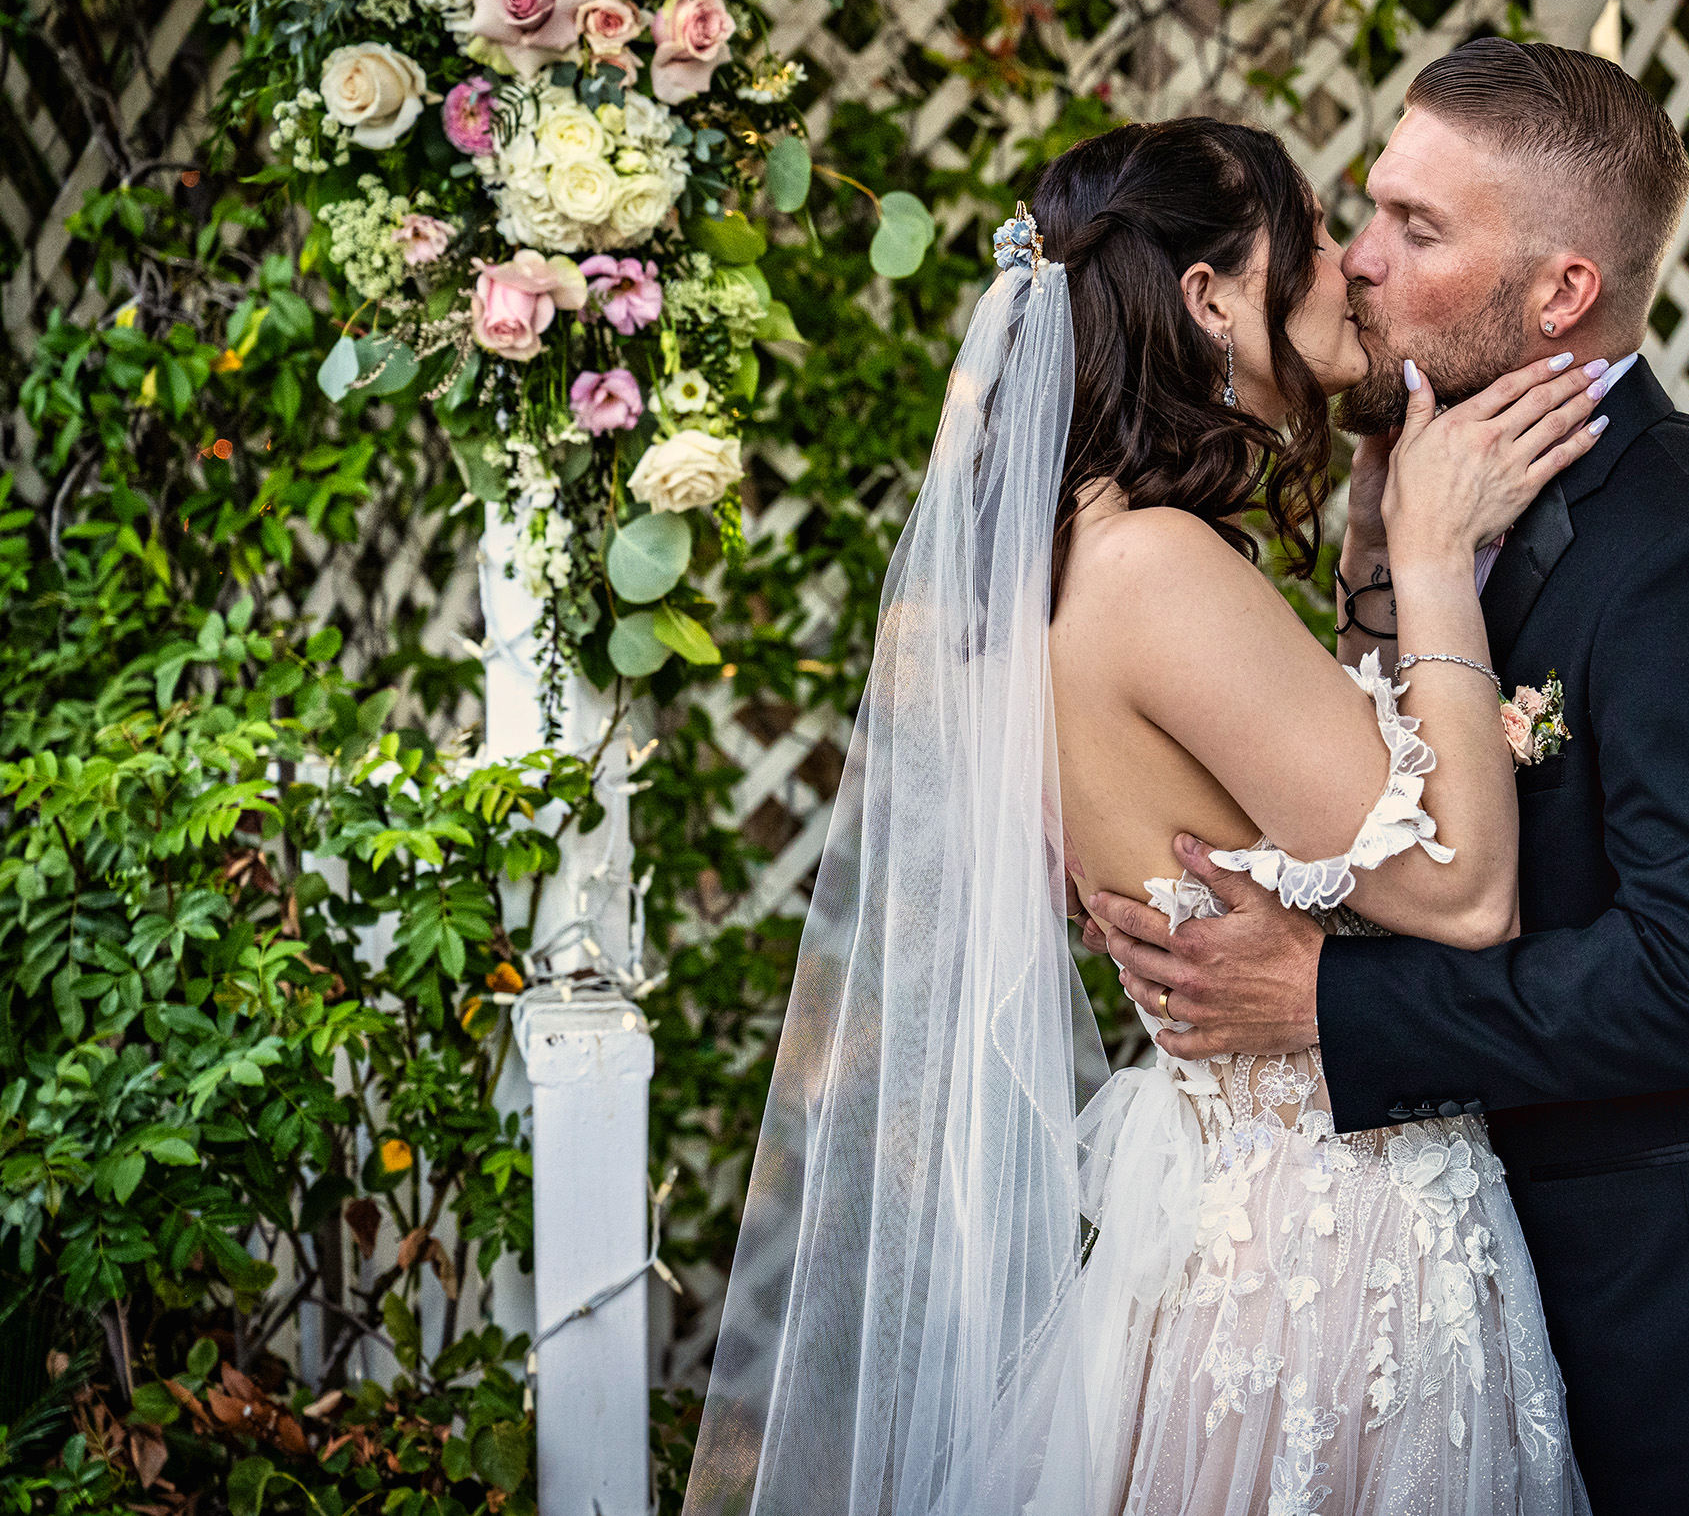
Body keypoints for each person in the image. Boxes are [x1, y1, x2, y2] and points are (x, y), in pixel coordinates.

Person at [1081, 38, 1689, 1516]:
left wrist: (1327, 1003)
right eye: (1370, 208)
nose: (1357, 262)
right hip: (1478, 1332)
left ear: (1562, 294)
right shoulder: (1425, 508)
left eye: (1416, 229)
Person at [682, 115, 1610, 1516]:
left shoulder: (1066, 562)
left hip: (1252, 1222)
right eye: (1313, 234)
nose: (1352, 267)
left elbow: (1329, 810)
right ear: (1210, 297)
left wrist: (1373, 548)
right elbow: (1465, 895)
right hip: (1339, 1248)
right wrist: (1433, 557)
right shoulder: (1151, 568)